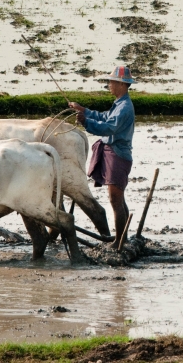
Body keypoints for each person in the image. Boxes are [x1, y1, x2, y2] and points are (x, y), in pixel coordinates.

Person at [69, 66, 136, 248]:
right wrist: (85, 111)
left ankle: (119, 242)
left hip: (118, 154)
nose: (109, 85)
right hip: (115, 153)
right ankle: (123, 238)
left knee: (115, 199)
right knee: (118, 198)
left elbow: (109, 128)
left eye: (111, 82)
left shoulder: (124, 108)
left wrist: (86, 122)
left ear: (121, 84)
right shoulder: (120, 104)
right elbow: (105, 116)